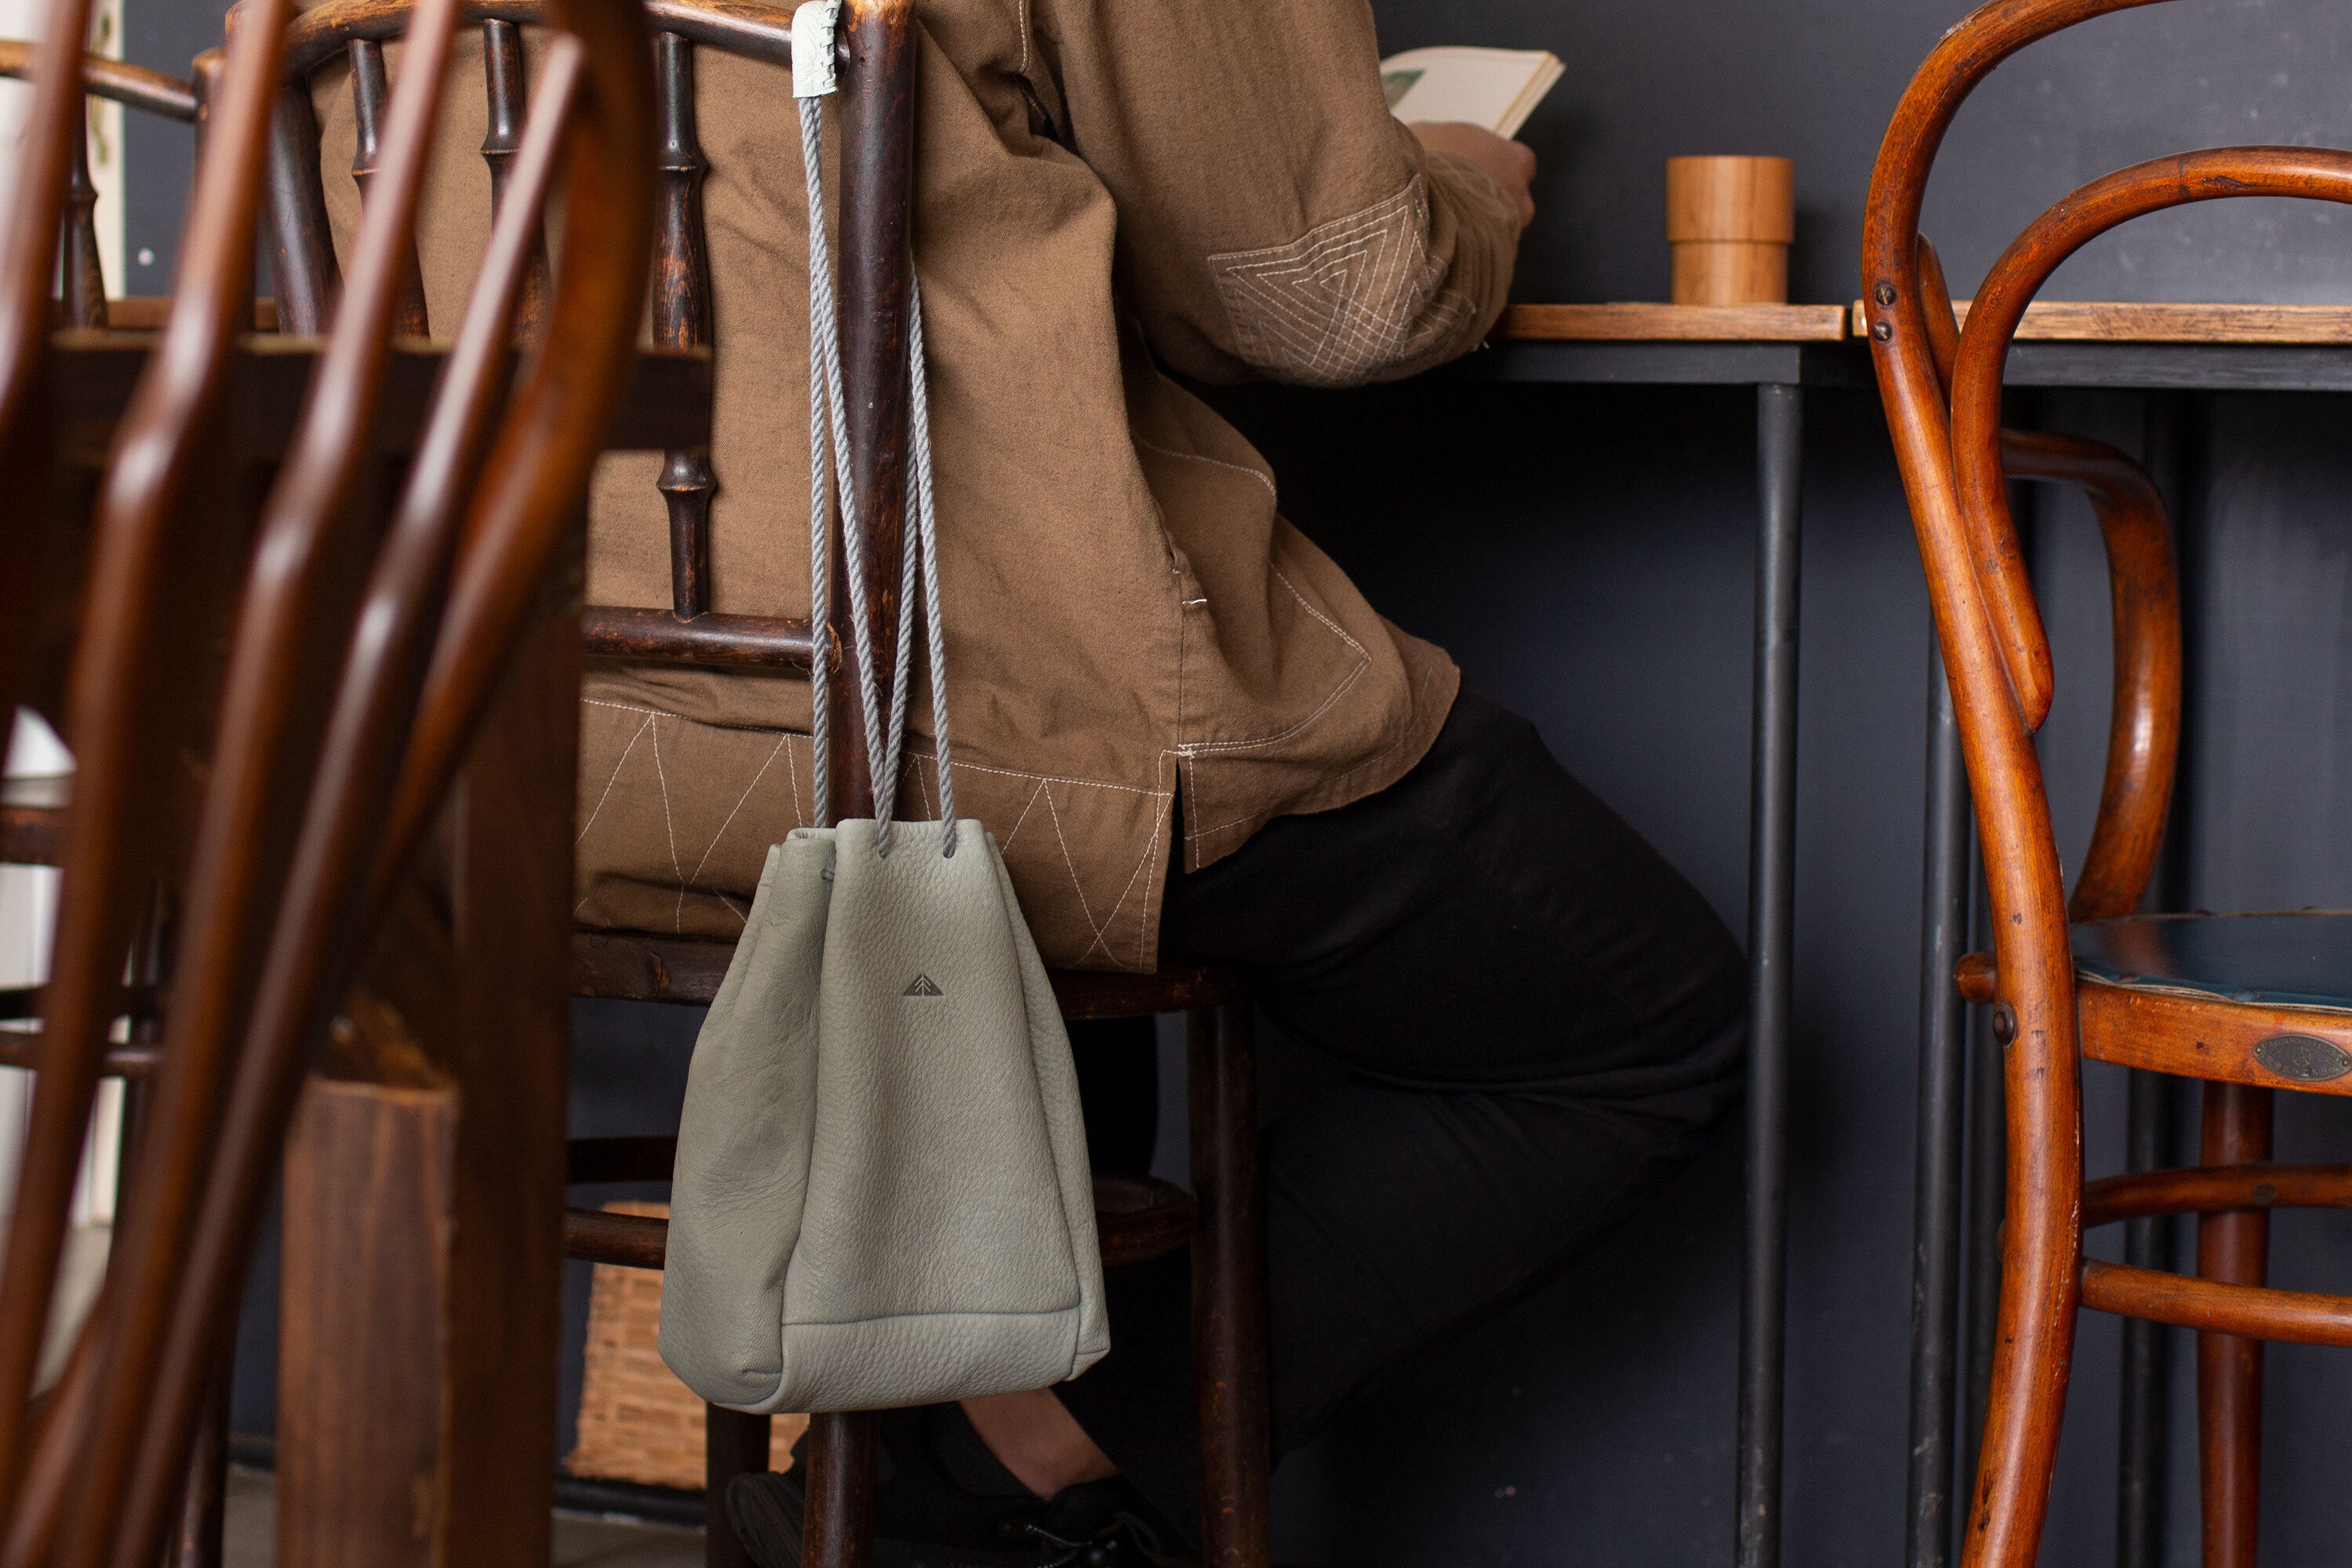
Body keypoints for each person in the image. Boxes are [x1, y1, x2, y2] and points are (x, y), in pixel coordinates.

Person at [313, 0, 1743, 1558]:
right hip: (939, 709)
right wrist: (1460, 184)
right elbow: (1338, 297)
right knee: (1641, 1021)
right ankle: (1004, 1460)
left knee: (1037, 965)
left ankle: (940, 1477)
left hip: (522, 733)